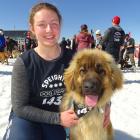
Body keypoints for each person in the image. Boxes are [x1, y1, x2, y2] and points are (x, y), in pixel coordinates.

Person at [3, 2, 110, 140]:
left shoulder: (75, 59)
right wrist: (58, 118)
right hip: (27, 118)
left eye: (54, 24)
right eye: (42, 24)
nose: (49, 30)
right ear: (32, 29)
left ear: (60, 26)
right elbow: (20, 107)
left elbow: (96, 81)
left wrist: (106, 103)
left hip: (58, 119)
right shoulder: (24, 63)